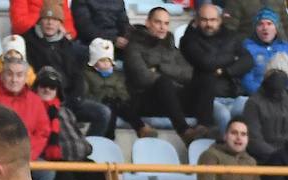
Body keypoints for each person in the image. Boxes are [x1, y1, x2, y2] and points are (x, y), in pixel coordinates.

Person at [24, 1, 109, 135]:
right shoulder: (28, 41)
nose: (50, 23)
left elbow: (77, 74)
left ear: (60, 23)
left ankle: (84, 149)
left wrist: (76, 98)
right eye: (46, 19)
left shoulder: (66, 44)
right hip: (45, 101)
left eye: (54, 19)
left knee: (103, 113)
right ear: (40, 20)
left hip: (69, 99)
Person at [125, 8, 205, 145]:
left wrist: (161, 68)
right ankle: (184, 130)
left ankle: (206, 126)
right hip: (146, 100)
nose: (163, 27)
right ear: (148, 23)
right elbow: (142, 77)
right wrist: (169, 79)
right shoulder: (134, 46)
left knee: (205, 80)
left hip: (173, 97)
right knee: (163, 82)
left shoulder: (170, 45)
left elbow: (188, 73)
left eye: (166, 23)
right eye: (158, 22)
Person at [179, 3, 253, 129]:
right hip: (207, 98)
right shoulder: (189, 39)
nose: (209, 24)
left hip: (234, 93)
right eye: (204, 20)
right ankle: (225, 148)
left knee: (253, 111)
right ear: (196, 20)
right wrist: (232, 58)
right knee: (224, 117)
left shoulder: (231, 36)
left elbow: (248, 61)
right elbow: (206, 62)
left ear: (220, 20)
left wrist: (225, 71)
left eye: (213, 20)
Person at [242, 58, 288, 162]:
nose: (277, 76)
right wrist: (280, 156)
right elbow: (254, 140)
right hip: (266, 159)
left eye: (281, 73)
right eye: (273, 72)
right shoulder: (254, 102)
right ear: (266, 76)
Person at [0, 59, 49, 166]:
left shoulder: (35, 100)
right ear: (2, 76)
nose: (14, 79)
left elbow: (42, 132)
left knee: (47, 173)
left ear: (26, 78)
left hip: (27, 156)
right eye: (9, 74)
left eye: (19, 75)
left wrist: (29, 154)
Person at [196, 117, 263, 180]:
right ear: (225, 136)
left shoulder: (251, 161)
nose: (239, 137)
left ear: (247, 139)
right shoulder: (210, 155)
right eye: (234, 133)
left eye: (243, 134)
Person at [83, 38, 146, 139]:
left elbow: (123, 92)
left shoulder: (117, 75)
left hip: (116, 103)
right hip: (99, 103)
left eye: (108, 60)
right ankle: (110, 137)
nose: (106, 63)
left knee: (118, 104)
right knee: (110, 104)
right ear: (94, 62)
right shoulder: (86, 75)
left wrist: (118, 97)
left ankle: (142, 128)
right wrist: (103, 97)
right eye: (102, 60)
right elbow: (86, 95)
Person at [240, 9, 288, 97]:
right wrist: (266, 96)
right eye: (260, 24)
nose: (265, 28)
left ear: (276, 28)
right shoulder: (247, 48)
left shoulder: (286, 48)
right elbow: (247, 80)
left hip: (285, 97)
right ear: (255, 28)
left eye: (269, 23)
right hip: (257, 98)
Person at [221, 0, 288, 43]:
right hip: (250, 52)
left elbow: (286, 23)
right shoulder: (236, 1)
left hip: (281, 49)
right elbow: (229, 30)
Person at [10, 0, 75, 39]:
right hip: (31, 38)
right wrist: (44, 23)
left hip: (57, 40)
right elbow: (19, 24)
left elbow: (67, 21)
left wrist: (67, 33)